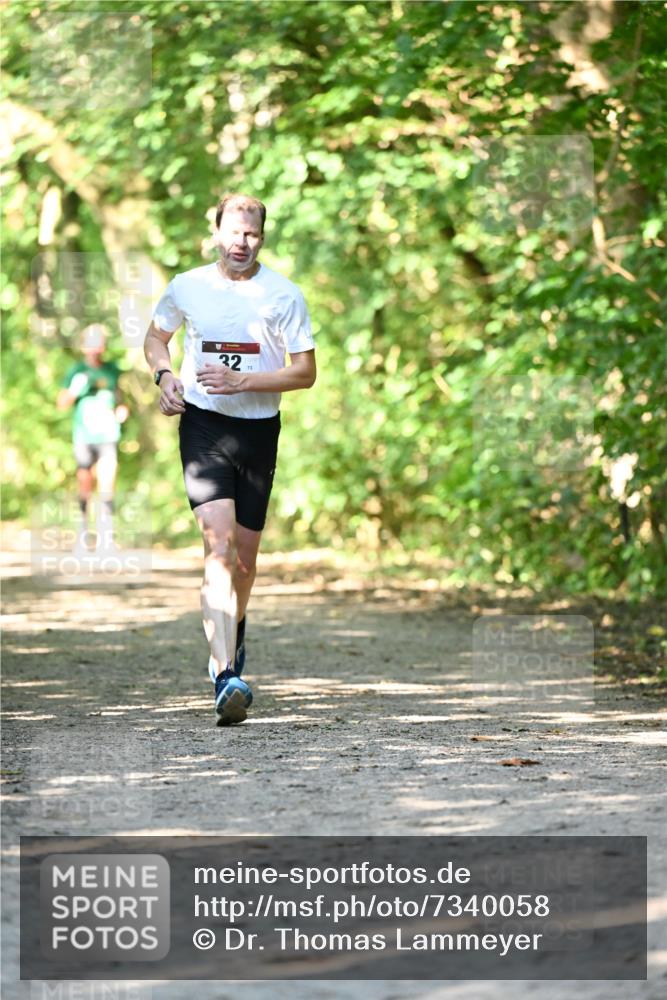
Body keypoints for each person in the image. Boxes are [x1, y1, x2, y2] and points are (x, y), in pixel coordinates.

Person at [144, 193, 316, 726]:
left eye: (253, 235)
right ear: (216, 231)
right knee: (217, 545)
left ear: (262, 237)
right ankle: (224, 675)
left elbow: (304, 372)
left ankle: (232, 636)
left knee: (244, 558)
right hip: (203, 425)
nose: (242, 243)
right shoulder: (188, 286)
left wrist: (245, 380)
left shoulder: (284, 295)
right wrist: (164, 376)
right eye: (234, 232)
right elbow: (156, 338)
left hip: (259, 430)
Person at [58, 323, 128, 554]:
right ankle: (83, 532)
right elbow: (62, 403)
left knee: (107, 484)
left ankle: (106, 536)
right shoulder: (75, 371)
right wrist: (75, 390)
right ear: (84, 345)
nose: (96, 347)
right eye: (91, 342)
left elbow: (120, 399)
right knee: (85, 485)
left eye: (99, 342)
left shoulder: (112, 370)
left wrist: (122, 410)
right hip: (84, 436)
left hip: (108, 434)